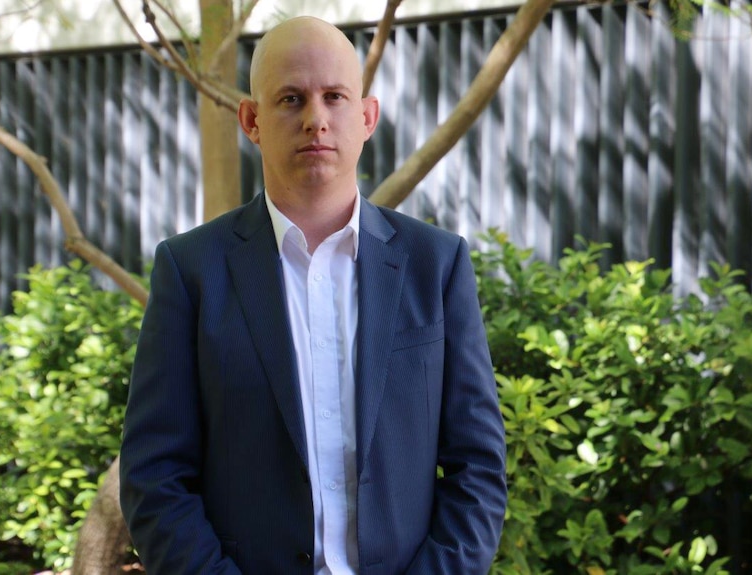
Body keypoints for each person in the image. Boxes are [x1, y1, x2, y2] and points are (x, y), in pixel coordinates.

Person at [119, 15, 507, 575]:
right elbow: (154, 476)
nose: (316, 120)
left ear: (367, 117)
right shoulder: (190, 271)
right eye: (291, 99)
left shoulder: (436, 266)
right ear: (251, 120)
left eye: (334, 97)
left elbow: (477, 468)